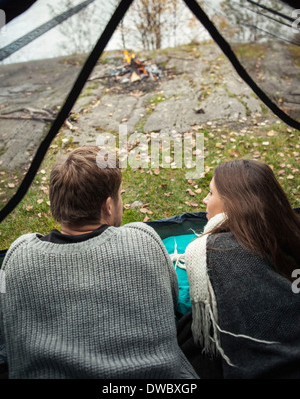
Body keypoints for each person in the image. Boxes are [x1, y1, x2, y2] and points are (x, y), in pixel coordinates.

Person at [0, 145, 198, 379]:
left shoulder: (16, 257)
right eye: (120, 196)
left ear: (55, 203)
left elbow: (7, 322)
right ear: (108, 205)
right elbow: (171, 297)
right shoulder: (143, 239)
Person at [177, 159, 300, 379]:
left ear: (232, 202)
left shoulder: (206, 249)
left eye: (211, 193)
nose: (205, 199)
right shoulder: (291, 230)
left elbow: (206, 333)